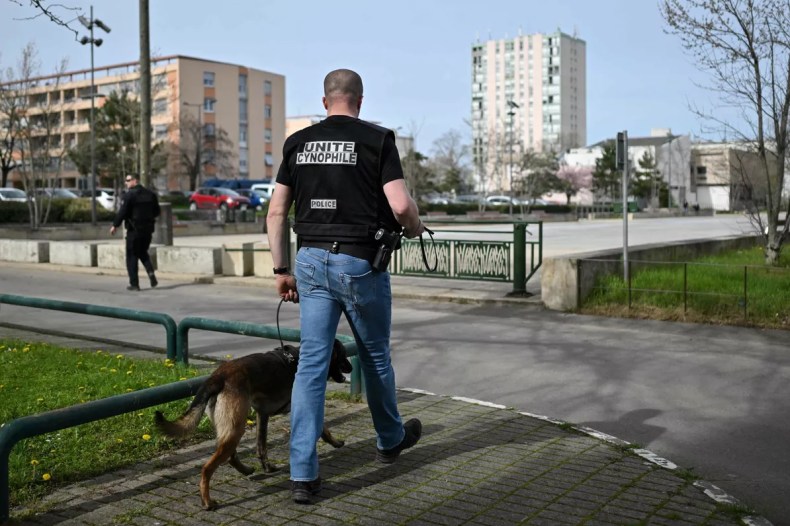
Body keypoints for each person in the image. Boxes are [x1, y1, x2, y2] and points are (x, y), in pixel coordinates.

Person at [266, 68, 425, 504]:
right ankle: (390, 439)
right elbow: (400, 205)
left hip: (310, 261)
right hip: (358, 262)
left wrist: (282, 269)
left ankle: (302, 474)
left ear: (325, 102)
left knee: (312, 364)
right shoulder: (377, 140)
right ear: (359, 99)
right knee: (374, 355)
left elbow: (277, 212)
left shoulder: (297, 143)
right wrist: (414, 226)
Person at [110, 174, 160, 291]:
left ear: (134, 180)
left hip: (134, 230)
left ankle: (134, 284)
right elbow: (157, 211)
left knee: (132, 256)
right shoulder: (151, 194)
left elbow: (122, 212)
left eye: (127, 180)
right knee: (142, 252)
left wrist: (115, 225)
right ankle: (151, 273)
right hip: (148, 230)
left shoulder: (129, 196)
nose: (126, 183)